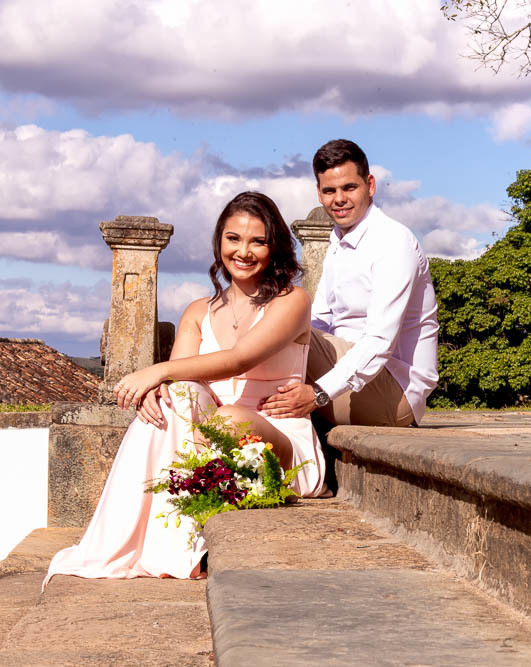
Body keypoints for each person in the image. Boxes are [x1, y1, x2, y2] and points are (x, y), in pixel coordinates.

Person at [46, 191, 328, 584]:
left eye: (257, 241)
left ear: (274, 245)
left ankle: (177, 544)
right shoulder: (198, 311)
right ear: (219, 242)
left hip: (277, 437)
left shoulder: (292, 301)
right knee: (175, 397)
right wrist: (155, 391)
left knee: (226, 418)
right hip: (205, 437)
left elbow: (241, 358)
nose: (243, 251)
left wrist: (157, 371)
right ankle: (153, 544)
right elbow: (181, 379)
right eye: (233, 239)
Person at [256, 139, 439, 428]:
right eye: (329, 190)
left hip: (393, 394)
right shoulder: (339, 242)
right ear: (319, 193)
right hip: (348, 378)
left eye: (349, 188)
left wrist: (317, 393)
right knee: (274, 325)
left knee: (278, 323)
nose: (339, 199)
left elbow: (379, 341)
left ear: (370, 185)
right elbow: (320, 321)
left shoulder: (393, 242)